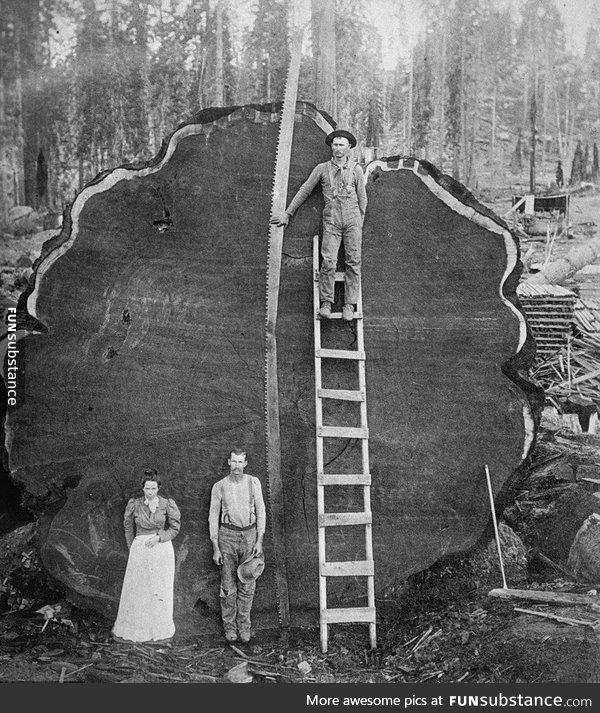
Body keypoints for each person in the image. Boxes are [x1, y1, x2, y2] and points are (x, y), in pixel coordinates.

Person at [271, 129, 367, 322]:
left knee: (353, 262)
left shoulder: (356, 170)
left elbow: (363, 200)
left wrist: (358, 224)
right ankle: (326, 302)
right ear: (331, 147)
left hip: (352, 220)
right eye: (335, 144)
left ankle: (349, 304)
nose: (338, 148)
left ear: (349, 148)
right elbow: (305, 190)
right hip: (331, 221)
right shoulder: (322, 169)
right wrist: (288, 213)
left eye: (342, 144)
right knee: (329, 261)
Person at [113, 468, 181, 643]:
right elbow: (128, 527)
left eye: (153, 488)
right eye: (147, 489)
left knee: (159, 589)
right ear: (142, 488)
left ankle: (158, 630)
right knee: (139, 590)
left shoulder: (167, 504)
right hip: (140, 549)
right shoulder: (135, 504)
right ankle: (138, 630)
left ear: (158, 488)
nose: (150, 492)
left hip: (161, 549)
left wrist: (160, 537)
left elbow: (175, 528)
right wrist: (134, 548)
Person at [208, 448, 266, 643]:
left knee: (247, 584)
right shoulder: (220, 486)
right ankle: (230, 628)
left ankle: (244, 626)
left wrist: (259, 540)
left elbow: (261, 511)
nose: (237, 466)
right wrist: (215, 546)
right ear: (228, 462)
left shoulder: (253, 482)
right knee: (227, 586)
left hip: (249, 536)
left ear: (246, 463)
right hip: (227, 537)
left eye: (241, 462)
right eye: (234, 462)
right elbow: (212, 516)